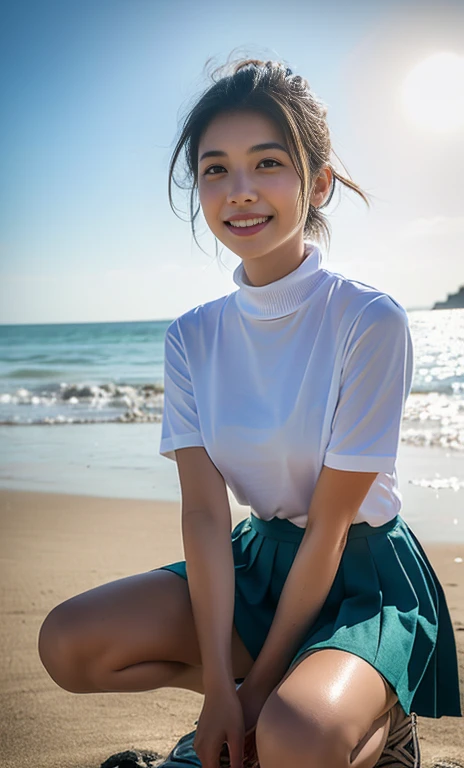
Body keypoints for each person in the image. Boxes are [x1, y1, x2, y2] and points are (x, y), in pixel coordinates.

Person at [37, 57, 461, 768]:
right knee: (70, 643)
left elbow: (329, 526)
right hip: (260, 564)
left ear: (316, 182)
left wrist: (258, 690)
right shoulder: (191, 336)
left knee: (293, 737)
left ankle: (380, 722)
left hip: (361, 574)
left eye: (267, 163)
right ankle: (270, 707)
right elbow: (205, 515)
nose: (240, 192)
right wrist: (220, 696)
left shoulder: (368, 319)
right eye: (215, 169)